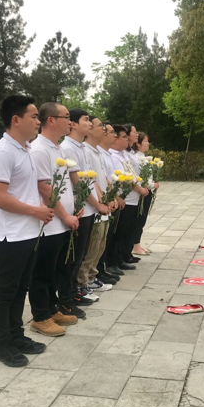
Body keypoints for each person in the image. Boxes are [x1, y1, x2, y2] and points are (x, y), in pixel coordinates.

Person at [0, 95, 54, 367]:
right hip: (10, 235)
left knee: (20, 288)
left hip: (27, 232)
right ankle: (2, 344)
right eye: (34, 116)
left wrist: (39, 209)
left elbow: (24, 190)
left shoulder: (24, 149)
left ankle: (16, 335)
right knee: (6, 291)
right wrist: (34, 211)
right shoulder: (3, 151)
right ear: (16, 120)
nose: (38, 122)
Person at [30, 102, 84, 329]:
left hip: (62, 221)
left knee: (58, 270)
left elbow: (64, 185)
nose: (70, 122)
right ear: (51, 120)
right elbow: (44, 188)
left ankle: (52, 309)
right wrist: (64, 215)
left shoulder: (57, 147)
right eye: (67, 117)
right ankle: (40, 316)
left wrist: (74, 206)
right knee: (43, 272)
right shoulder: (39, 149)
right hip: (50, 223)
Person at [60, 109, 109, 305]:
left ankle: (76, 290)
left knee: (81, 255)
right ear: (73, 124)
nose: (89, 123)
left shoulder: (80, 148)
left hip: (89, 209)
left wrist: (102, 200)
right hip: (80, 209)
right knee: (75, 257)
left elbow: (91, 180)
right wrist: (97, 204)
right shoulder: (68, 148)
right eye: (86, 120)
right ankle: (72, 292)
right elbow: (78, 183)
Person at [78, 117, 117, 292]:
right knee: (91, 248)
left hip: (102, 205)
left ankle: (92, 277)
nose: (103, 129)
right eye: (100, 126)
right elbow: (89, 181)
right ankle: (83, 281)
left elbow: (103, 179)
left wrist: (110, 197)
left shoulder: (97, 152)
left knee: (100, 245)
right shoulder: (85, 151)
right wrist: (101, 202)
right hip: (93, 207)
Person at [109, 125, 149, 272]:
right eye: (124, 136)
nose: (127, 139)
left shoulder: (124, 154)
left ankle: (122, 257)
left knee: (127, 230)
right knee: (118, 232)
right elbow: (124, 179)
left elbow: (132, 174)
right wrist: (139, 189)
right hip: (125, 197)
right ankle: (114, 261)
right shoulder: (114, 155)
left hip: (133, 197)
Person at [96, 123, 124, 284]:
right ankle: (94, 275)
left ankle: (100, 271)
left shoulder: (104, 154)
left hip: (107, 201)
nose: (114, 135)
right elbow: (93, 181)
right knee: (96, 244)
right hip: (98, 204)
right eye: (111, 132)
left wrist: (113, 196)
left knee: (103, 241)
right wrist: (107, 199)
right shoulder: (97, 152)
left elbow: (107, 180)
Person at [132, 132, 159, 256]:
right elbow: (141, 178)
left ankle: (137, 244)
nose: (148, 143)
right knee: (139, 220)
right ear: (138, 143)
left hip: (147, 191)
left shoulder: (143, 157)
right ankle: (135, 245)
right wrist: (152, 185)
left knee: (142, 220)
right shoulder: (137, 158)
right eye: (145, 141)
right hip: (143, 192)